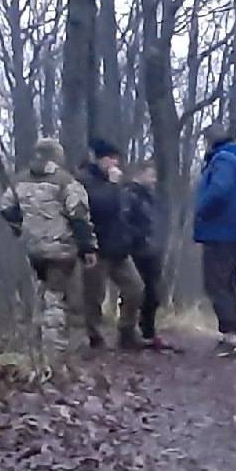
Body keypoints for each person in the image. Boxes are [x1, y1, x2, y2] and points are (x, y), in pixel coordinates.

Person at [0, 136, 95, 353]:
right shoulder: (65, 181)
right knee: (56, 298)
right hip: (61, 249)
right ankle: (53, 349)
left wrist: (21, 227)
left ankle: (34, 345)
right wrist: (88, 247)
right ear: (58, 157)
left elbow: (5, 207)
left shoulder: (19, 180)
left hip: (32, 249)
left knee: (39, 294)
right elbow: (79, 215)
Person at [74, 138, 147, 350]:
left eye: (117, 159)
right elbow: (101, 207)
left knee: (135, 288)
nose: (115, 163)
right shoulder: (84, 180)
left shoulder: (115, 183)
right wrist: (114, 185)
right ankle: (94, 337)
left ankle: (127, 331)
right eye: (111, 159)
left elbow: (122, 210)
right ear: (100, 159)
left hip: (118, 247)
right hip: (96, 247)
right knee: (94, 296)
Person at [191, 125, 236, 357]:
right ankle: (232, 334)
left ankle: (230, 336)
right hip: (231, 233)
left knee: (216, 284)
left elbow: (219, 191)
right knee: (226, 284)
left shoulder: (224, 160)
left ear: (211, 141)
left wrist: (201, 210)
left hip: (220, 233)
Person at [123, 161, 169, 349]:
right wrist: (137, 239)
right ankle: (129, 332)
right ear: (140, 173)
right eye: (151, 175)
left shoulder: (149, 196)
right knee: (136, 291)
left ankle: (148, 331)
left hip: (151, 249)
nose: (154, 180)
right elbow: (125, 222)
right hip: (137, 250)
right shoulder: (129, 195)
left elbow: (154, 221)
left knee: (153, 293)